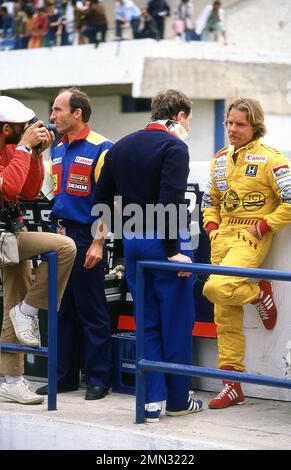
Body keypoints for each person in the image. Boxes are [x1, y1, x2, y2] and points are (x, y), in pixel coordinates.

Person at [93, 89, 203, 422]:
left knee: (147, 323)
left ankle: (150, 401)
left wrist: (108, 237)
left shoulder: (121, 145)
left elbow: (102, 198)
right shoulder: (175, 147)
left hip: (133, 241)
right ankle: (178, 401)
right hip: (164, 243)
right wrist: (172, 252)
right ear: (180, 117)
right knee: (177, 323)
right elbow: (170, 200)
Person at [202, 97, 291, 409]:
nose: (232, 129)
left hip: (250, 237)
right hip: (221, 238)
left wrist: (265, 226)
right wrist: (211, 226)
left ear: (255, 125)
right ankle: (232, 386)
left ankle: (255, 293)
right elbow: (209, 198)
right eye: (229, 123)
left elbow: (290, 201)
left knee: (216, 287)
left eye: (240, 124)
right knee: (223, 314)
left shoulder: (272, 159)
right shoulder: (220, 158)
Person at [36, 87, 113, 400]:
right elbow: (53, 192)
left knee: (92, 310)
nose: (52, 117)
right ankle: (65, 377)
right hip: (60, 235)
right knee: (62, 309)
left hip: (87, 236)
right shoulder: (56, 147)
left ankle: (98, 380)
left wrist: (97, 242)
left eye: (57, 110)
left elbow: (109, 201)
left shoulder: (102, 147)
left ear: (77, 113)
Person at [0, 96, 76, 405]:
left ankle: (12, 380)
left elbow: (29, 191)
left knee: (15, 301)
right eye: (22, 128)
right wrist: (23, 149)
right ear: (7, 128)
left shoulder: (12, 148)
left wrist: (34, 154)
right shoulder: (12, 148)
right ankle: (25, 312)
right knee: (64, 246)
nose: (28, 130)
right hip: (5, 238)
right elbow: (9, 187)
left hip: (9, 236)